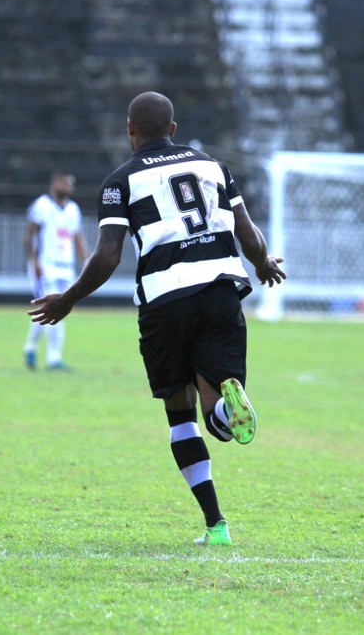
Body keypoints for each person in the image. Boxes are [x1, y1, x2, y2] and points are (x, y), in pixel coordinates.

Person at [28, 91, 286, 546]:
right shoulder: (213, 166)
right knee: (216, 417)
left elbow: (107, 256)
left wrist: (69, 299)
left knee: (180, 415)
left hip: (166, 299)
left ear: (130, 129)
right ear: (173, 129)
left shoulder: (119, 182)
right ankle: (226, 409)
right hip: (222, 289)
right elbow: (247, 232)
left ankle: (216, 525)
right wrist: (262, 263)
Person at [22, 171, 90, 371]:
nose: (67, 186)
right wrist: (34, 260)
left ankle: (30, 346)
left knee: (54, 309)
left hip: (66, 266)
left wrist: (87, 260)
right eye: (64, 182)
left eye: (70, 183)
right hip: (46, 265)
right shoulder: (41, 205)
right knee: (52, 306)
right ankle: (54, 357)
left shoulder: (73, 209)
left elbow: (77, 236)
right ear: (54, 183)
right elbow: (29, 235)